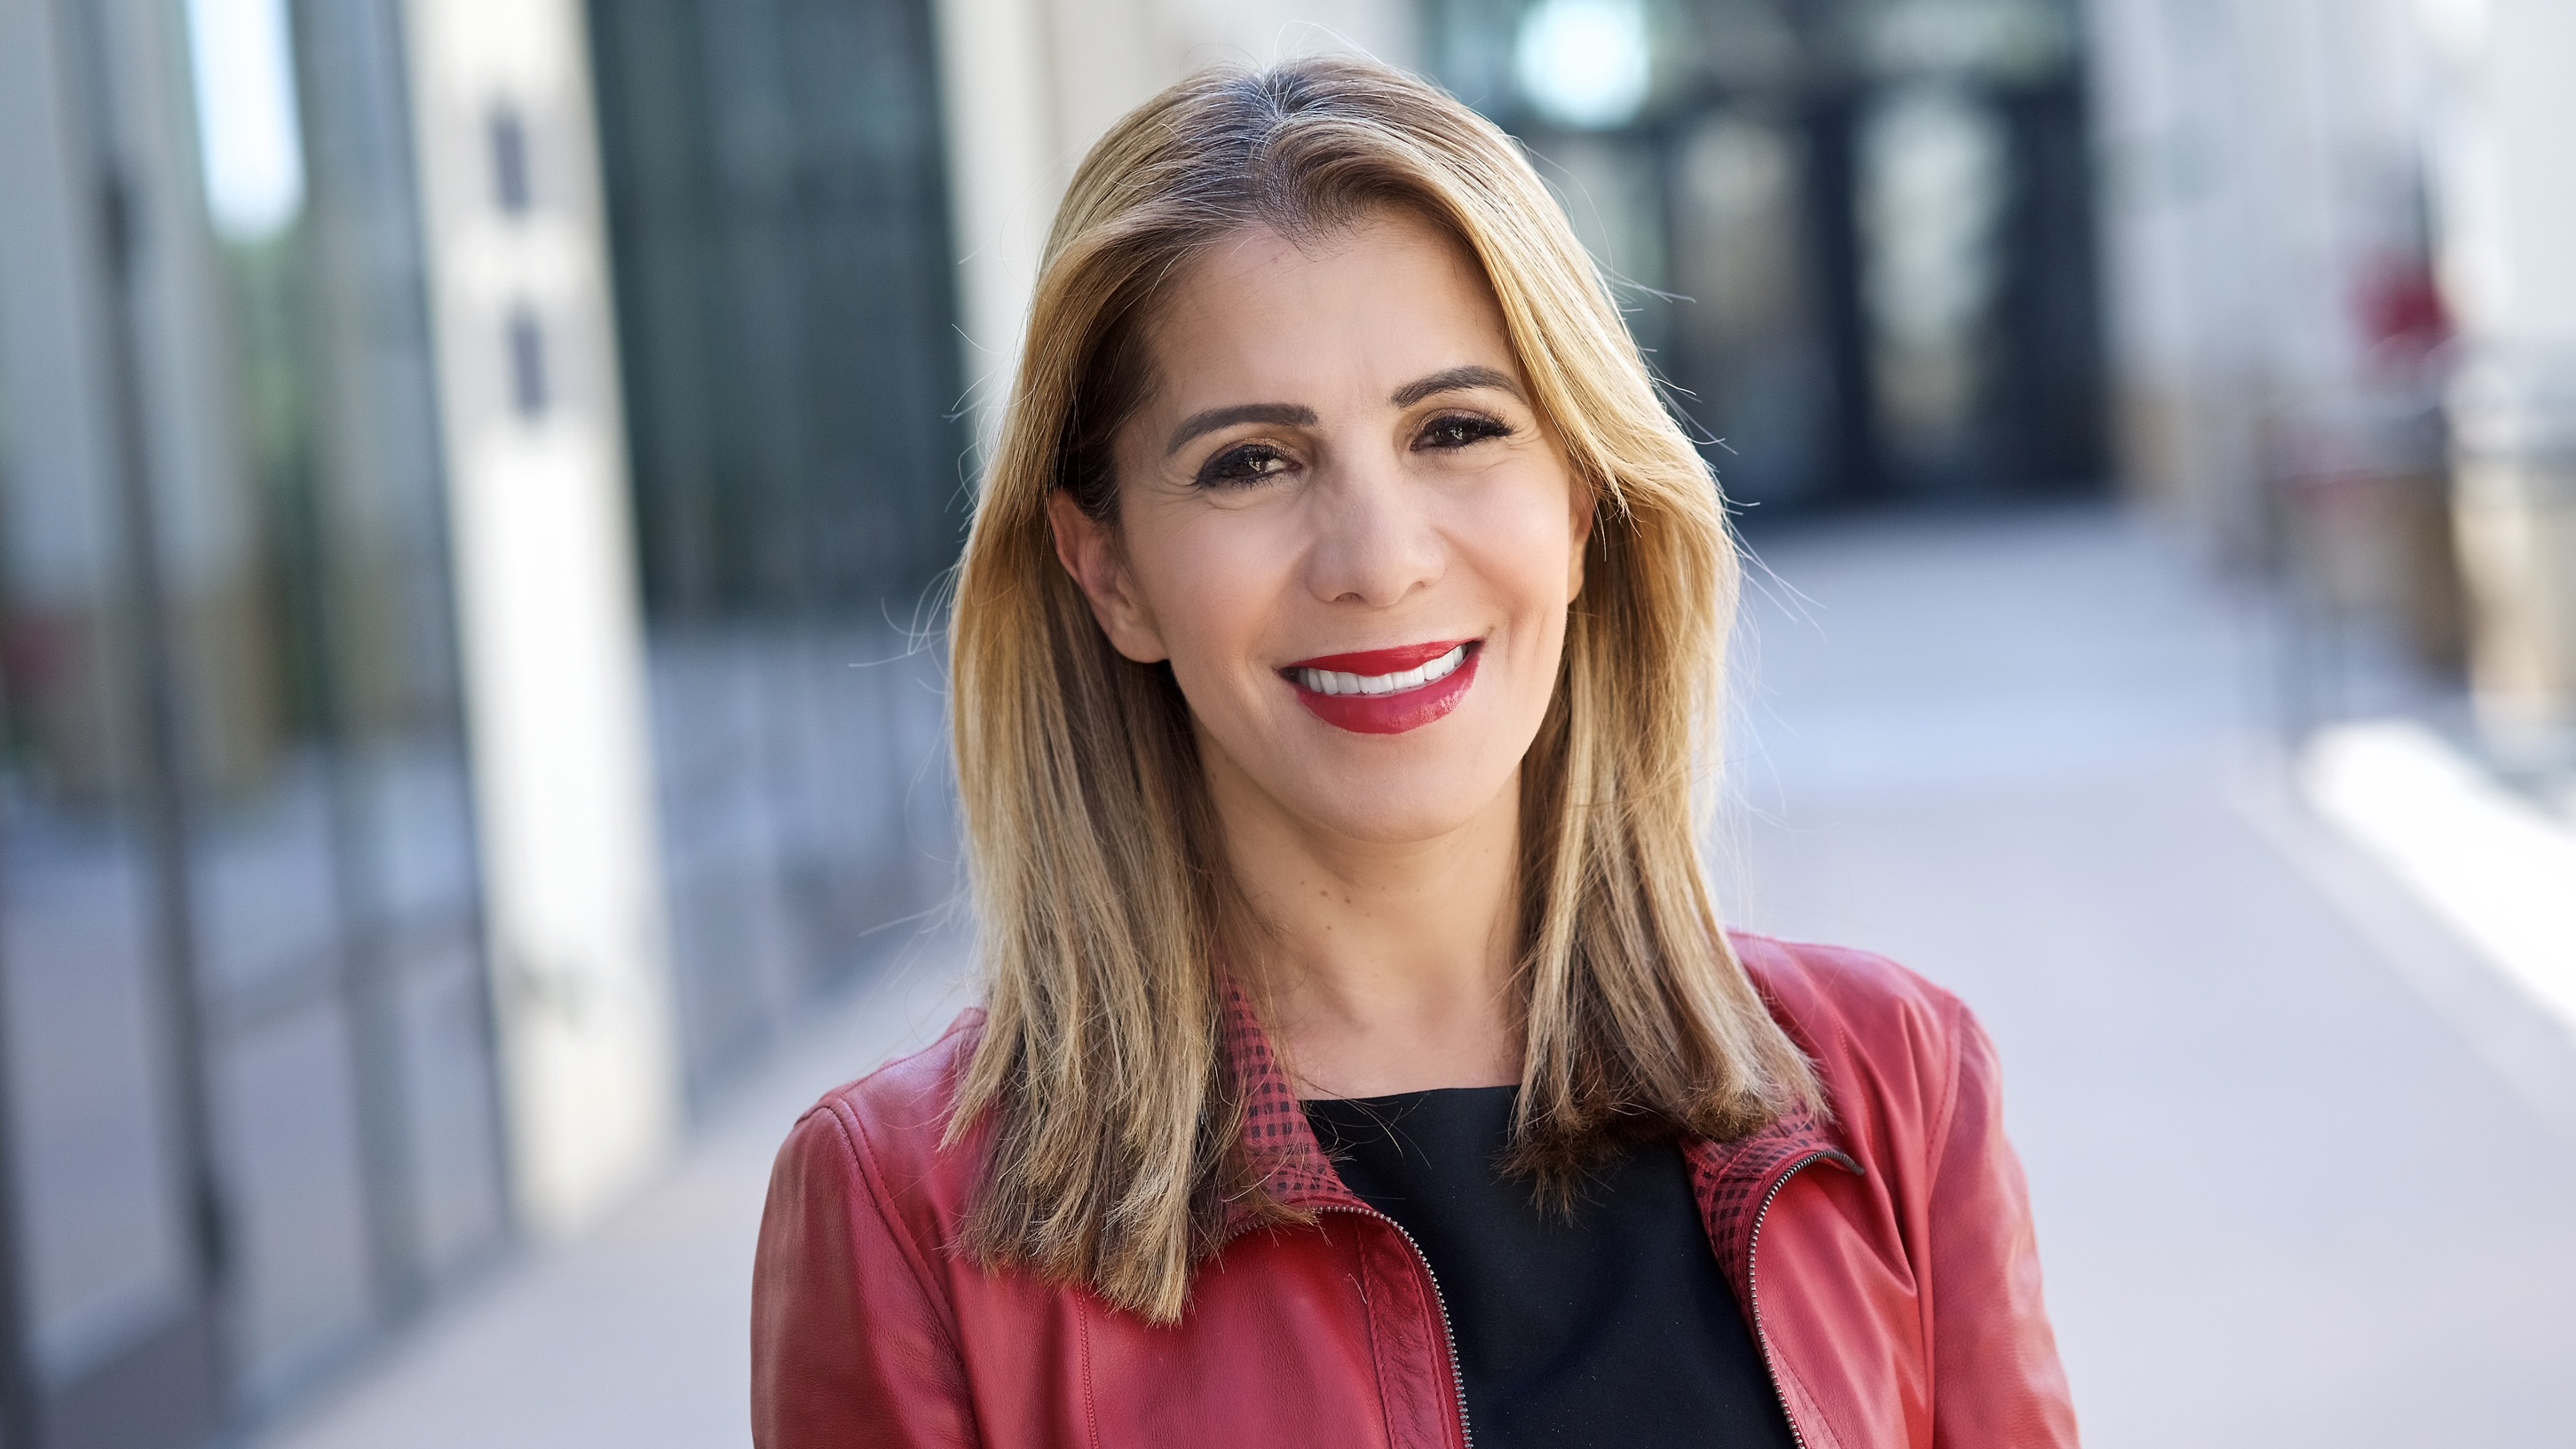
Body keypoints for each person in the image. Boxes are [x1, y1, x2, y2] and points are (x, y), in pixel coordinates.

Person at [753, 56, 2079, 1449]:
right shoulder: (904, 1207)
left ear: (1579, 502)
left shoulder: (1893, 1086)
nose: (1378, 562)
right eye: (1251, 462)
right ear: (1110, 574)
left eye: (1455, 430)